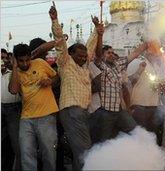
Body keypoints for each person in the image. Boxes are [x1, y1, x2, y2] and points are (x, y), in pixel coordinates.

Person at [49, 2, 99, 170]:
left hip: (83, 111)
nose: (83, 59)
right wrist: (55, 20)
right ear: (70, 54)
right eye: (80, 56)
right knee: (84, 150)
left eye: (85, 57)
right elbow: (59, 43)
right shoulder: (65, 62)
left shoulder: (84, 65)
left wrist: (96, 30)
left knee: (82, 150)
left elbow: (90, 47)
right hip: (71, 110)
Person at [88, 17, 150, 143]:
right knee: (104, 141)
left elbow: (136, 53)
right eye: (108, 53)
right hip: (106, 112)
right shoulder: (101, 64)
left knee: (136, 132)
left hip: (120, 111)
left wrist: (148, 42)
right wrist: (100, 35)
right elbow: (98, 53)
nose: (111, 54)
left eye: (112, 52)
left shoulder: (118, 64)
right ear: (103, 55)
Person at [9, 44, 59, 171]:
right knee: (26, 153)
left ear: (30, 57)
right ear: (16, 59)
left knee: (49, 152)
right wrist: (15, 67)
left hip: (46, 116)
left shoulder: (40, 63)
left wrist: (50, 81)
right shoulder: (15, 73)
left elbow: (56, 76)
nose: (25, 64)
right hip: (26, 118)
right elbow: (14, 90)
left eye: (27, 60)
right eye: (21, 61)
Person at [127, 41, 165, 145]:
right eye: (156, 51)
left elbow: (156, 87)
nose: (158, 55)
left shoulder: (155, 67)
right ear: (148, 51)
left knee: (153, 139)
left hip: (154, 107)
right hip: (139, 107)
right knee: (140, 139)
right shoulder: (137, 62)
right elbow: (128, 83)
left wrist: (162, 87)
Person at [1, 48, 22, 171]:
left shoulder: (15, 72)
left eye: (5, 58)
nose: (3, 60)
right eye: (1, 58)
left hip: (14, 110)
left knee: (17, 146)